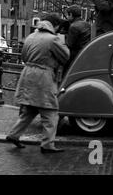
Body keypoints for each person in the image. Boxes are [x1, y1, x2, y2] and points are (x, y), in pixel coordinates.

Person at [5, 13, 70, 153]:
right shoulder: (53, 39)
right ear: (55, 25)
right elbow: (65, 56)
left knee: (29, 109)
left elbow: (23, 56)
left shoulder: (31, 36)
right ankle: (47, 144)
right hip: (43, 77)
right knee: (51, 112)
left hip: (27, 74)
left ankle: (13, 135)